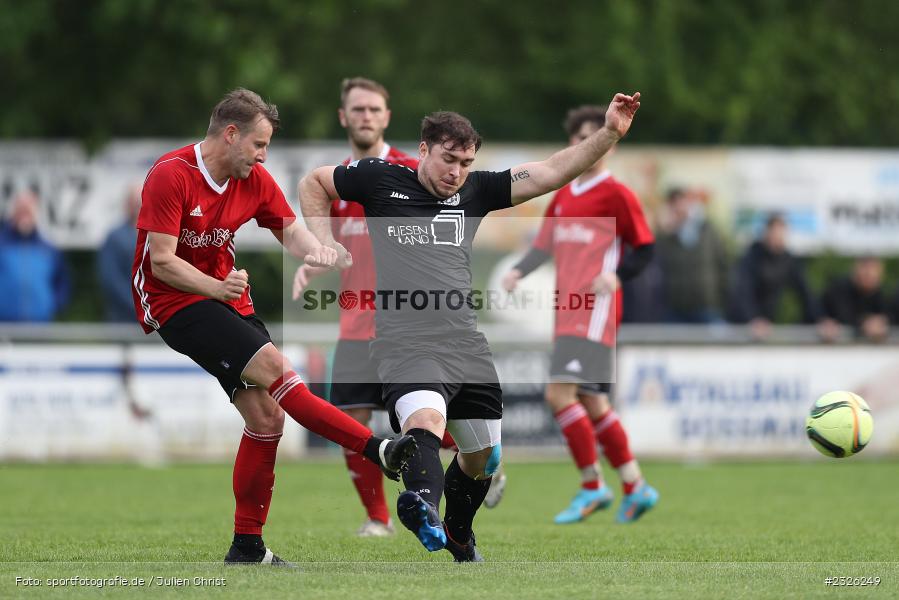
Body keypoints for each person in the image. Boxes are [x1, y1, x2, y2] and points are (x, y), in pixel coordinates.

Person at [299, 91, 642, 561]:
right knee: (425, 421)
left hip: (465, 344)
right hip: (404, 342)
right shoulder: (381, 180)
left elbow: (549, 172)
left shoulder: (475, 191)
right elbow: (315, 183)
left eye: (466, 161)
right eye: (448, 159)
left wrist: (607, 134)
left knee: (481, 458)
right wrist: (323, 242)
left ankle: (459, 535)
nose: (456, 171)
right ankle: (420, 504)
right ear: (422, 150)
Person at [130, 88, 415, 566]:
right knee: (279, 371)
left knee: (267, 419)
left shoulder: (254, 178)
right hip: (173, 300)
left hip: (225, 300)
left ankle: (247, 547)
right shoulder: (170, 175)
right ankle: (377, 449)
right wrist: (216, 288)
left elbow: (290, 231)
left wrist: (320, 251)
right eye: (259, 144)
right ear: (231, 133)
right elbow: (160, 263)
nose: (263, 156)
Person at [501, 105, 659, 525]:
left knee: (558, 395)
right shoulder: (564, 194)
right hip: (566, 311)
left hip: (593, 311)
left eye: (597, 136)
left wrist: (617, 276)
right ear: (573, 145)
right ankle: (635, 484)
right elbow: (545, 246)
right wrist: (519, 269)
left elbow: (645, 248)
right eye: (580, 138)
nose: (588, 145)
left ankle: (592, 486)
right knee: (592, 400)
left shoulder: (618, 194)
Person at [727, 213, 818, 340]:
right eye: (775, 233)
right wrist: (753, 319)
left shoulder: (787, 260)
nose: (779, 238)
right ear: (766, 233)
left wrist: (820, 319)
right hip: (742, 326)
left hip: (766, 327)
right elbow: (742, 293)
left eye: (782, 234)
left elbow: (806, 292)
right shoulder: (751, 257)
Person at [655, 187, 729, 323]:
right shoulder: (665, 237)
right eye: (674, 204)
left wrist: (723, 302)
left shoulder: (708, 230)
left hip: (708, 307)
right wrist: (664, 230)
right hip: (675, 309)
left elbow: (723, 266)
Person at [0, 190, 70, 322]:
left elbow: (62, 281)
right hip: (3, 325)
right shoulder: (2, 245)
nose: (24, 215)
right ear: (13, 212)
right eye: (21, 210)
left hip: (40, 325)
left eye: (28, 211)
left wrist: (54, 305)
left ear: (36, 213)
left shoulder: (49, 249)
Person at [97, 184, 142, 322]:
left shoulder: (159, 236)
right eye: (134, 201)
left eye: (142, 200)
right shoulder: (115, 237)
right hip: (122, 318)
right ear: (126, 204)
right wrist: (138, 306)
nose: (138, 205)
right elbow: (111, 279)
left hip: (155, 318)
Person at [818, 256, 890, 343]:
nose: (869, 278)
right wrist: (865, 323)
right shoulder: (839, 288)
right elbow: (844, 316)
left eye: (874, 276)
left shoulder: (878, 293)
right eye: (866, 274)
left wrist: (880, 323)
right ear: (856, 271)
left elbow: (886, 316)